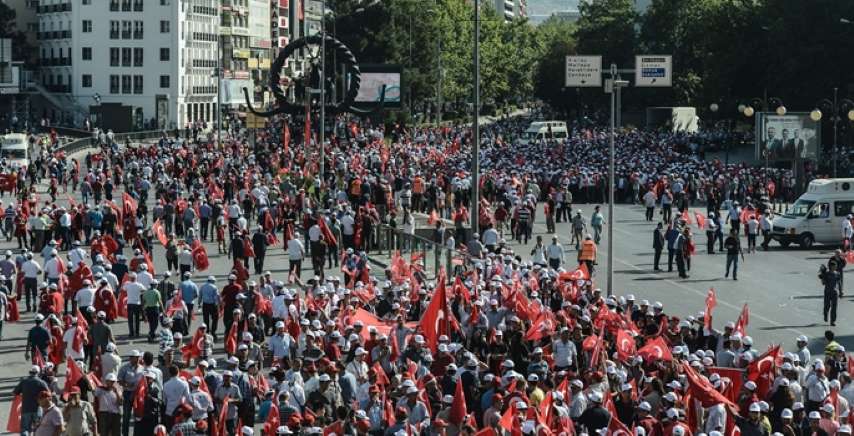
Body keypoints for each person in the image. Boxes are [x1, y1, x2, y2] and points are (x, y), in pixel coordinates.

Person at [13, 365, 50, 436]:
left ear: (30, 372)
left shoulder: (24, 382)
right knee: (38, 428)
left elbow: (14, 392)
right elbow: (49, 394)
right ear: (38, 373)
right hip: (38, 409)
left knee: (25, 429)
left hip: (26, 409)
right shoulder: (41, 382)